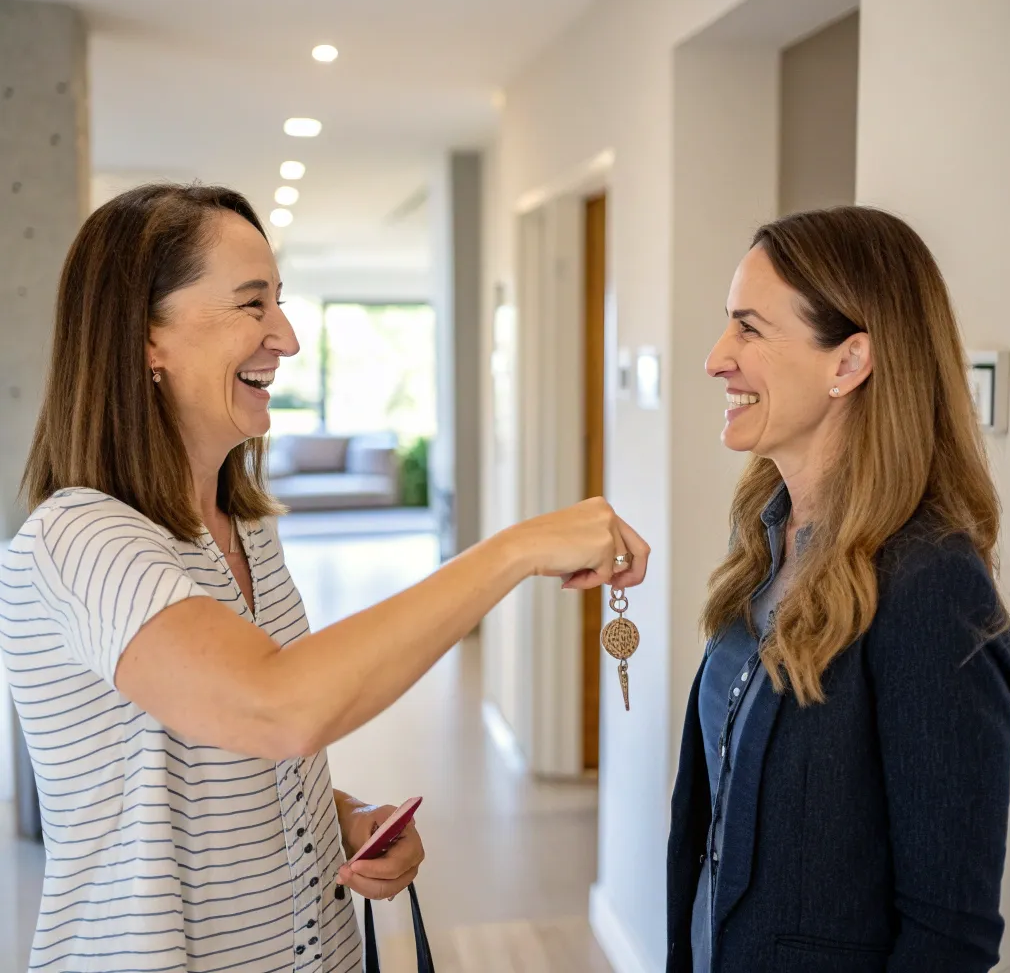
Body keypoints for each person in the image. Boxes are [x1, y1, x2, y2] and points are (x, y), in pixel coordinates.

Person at [0, 183, 649, 973]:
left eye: (281, 302)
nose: (287, 336)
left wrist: (337, 817)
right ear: (146, 337)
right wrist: (511, 550)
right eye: (252, 304)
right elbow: (277, 708)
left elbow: (224, 759)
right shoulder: (79, 536)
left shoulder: (247, 533)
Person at [666, 206, 1010, 973]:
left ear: (849, 361)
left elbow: (948, 937)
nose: (716, 358)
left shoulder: (933, 590)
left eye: (749, 328)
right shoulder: (761, 544)